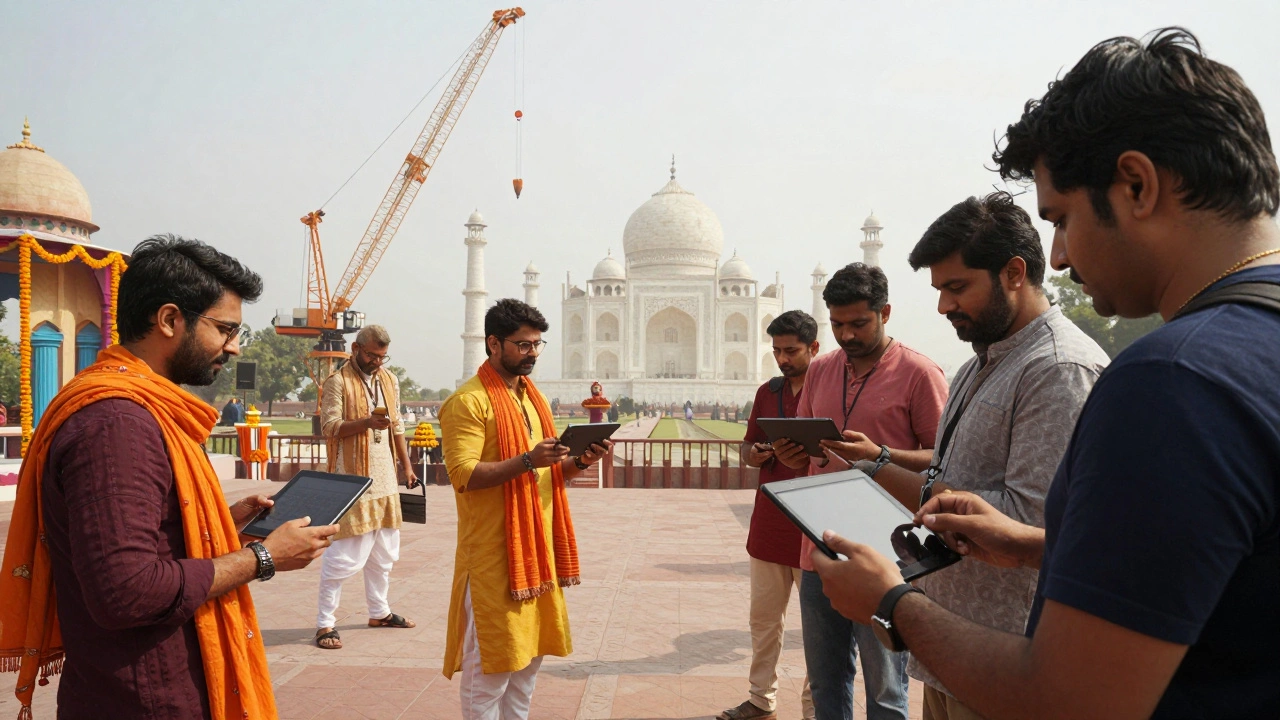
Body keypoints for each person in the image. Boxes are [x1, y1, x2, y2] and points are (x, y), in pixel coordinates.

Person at [812, 28, 1280, 719]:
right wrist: (1033, 544)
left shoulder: (1175, 382)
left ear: (1136, 185)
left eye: (1060, 218)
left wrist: (890, 602)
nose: (1057, 257)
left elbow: (1069, 699)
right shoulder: (1244, 354)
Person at [0, 235, 336, 719]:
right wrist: (262, 556)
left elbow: (139, 542)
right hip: (146, 697)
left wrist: (217, 523)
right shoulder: (118, 424)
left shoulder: (138, 410)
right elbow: (127, 591)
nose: (235, 347)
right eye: (225, 329)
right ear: (170, 320)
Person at [844, 192, 1107, 720]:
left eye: (957, 287)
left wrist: (887, 474)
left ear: (1013, 273)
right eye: (940, 289)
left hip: (1007, 662)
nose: (943, 306)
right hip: (952, 648)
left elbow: (1031, 524)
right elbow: (948, 472)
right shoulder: (978, 364)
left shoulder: (1056, 369)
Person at [773, 262, 948, 720]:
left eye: (858, 323)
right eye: (837, 325)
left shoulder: (918, 373)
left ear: (885, 312)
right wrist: (795, 454)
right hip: (822, 543)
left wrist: (881, 455)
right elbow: (813, 451)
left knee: (886, 686)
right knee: (826, 680)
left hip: (887, 550)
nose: (846, 335)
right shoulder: (823, 369)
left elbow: (945, 458)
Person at [439, 299, 612, 719]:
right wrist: (529, 459)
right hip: (494, 558)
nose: (531, 352)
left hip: (536, 553)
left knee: (526, 670)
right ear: (493, 343)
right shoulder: (469, 402)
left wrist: (583, 460)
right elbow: (463, 474)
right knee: (491, 673)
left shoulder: (533, 399)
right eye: (522, 345)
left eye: (537, 344)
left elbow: (548, 472)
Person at [719, 310, 820, 720]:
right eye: (777, 351)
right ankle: (761, 699)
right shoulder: (768, 391)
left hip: (815, 526)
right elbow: (746, 449)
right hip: (770, 522)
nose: (783, 358)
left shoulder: (831, 388)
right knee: (764, 622)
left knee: (818, 629)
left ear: (814, 347)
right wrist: (756, 454)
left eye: (791, 351)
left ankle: (817, 708)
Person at [314, 325, 418, 649]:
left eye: (382, 357)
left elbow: (398, 425)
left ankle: (379, 611)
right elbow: (328, 428)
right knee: (345, 556)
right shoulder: (338, 382)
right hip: (353, 479)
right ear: (356, 348)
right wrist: (366, 424)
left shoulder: (389, 380)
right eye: (372, 355)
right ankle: (324, 624)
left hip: (385, 477)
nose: (377, 362)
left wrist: (408, 466)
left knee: (384, 554)